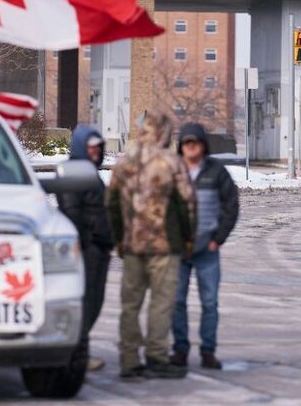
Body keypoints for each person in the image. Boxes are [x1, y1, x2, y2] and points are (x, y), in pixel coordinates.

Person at [107, 111, 196, 380]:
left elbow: (111, 203)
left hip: (132, 244)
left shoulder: (124, 163)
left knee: (130, 304)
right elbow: (186, 204)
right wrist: (188, 237)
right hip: (164, 245)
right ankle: (157, 357)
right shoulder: (171, 162)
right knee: (161, 303)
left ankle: (130, 360)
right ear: (165, 133)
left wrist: (118, 238)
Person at [170, 123, 239, 370]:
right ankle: (179, 349)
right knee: (176, 302)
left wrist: (217, 239)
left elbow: (231, 206)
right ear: (181, 146)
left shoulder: (216, 172)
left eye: (195, 142)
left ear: (203, 145)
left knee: (209, 303)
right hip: (177, 250)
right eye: (186, 143)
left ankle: (208, 352)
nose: (191, 147)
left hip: (207, 249)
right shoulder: (171, 172)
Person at [56, 126, 114, 372]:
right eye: (91, 147)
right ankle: (77, 354)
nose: (95, 152)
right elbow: (72, 211)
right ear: (80, 147)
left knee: (95, 301)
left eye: (98, 147)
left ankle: (80, 350)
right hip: (87, 249)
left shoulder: (89, 173)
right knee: (85, 302)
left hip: (99, 247)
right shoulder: (73, 172)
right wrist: (88, 238)